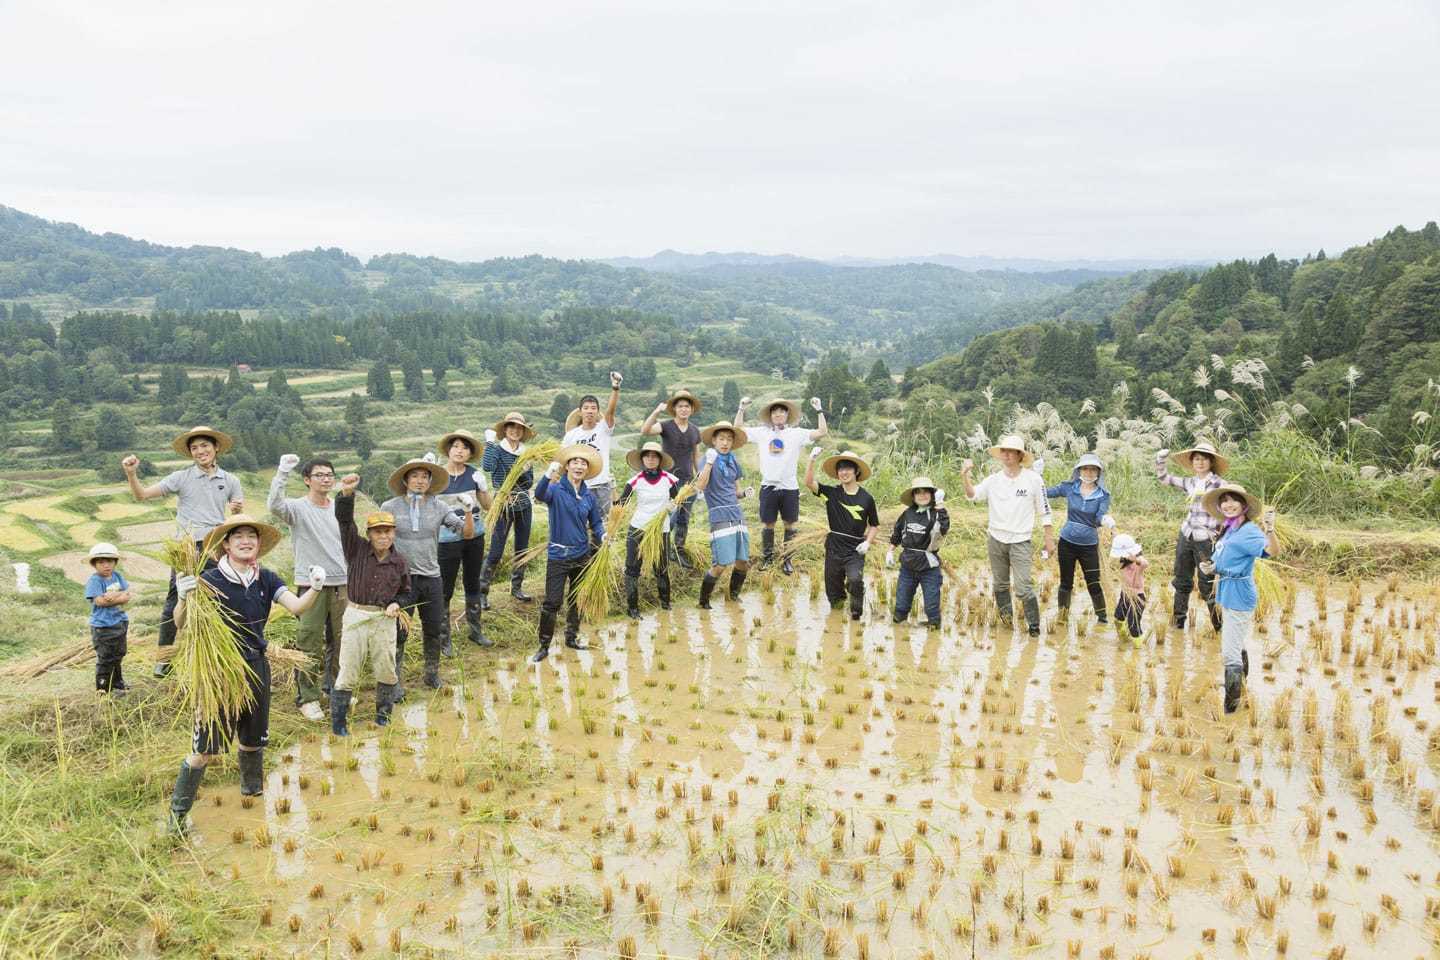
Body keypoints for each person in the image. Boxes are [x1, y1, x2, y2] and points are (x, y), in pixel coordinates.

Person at [165, 515, 322, 835]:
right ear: (226, 544)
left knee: (253, 741)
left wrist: (316, 587)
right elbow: (180, 623)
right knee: (203, 750)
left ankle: (252, 793)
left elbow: (298, 607)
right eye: (239, 537)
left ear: (259, 544)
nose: (247, 541)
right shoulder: (209, 579)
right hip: (218, 671)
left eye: (252, 536)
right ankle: (177, 815)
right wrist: (182, 596)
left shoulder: (266, 578)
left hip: (255, 665)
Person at [121, 426, 244, 677]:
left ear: (216, 447)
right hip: (187, 548)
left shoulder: (231, 480)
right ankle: (164, 659)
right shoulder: (182, 477)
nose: (201, 451)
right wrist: (131, 473)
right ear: (190, 453)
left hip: (215, 547)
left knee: (222, 598)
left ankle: (219, 652)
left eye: (205, 446)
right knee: (176, 599)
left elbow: (238, 517)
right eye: (195, 448)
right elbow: (142, 495)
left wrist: (237, 511)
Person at [380, 456, 473, 690]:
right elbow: (379, 542)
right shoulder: (389, 507)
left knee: (434, 628)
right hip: (401, 581)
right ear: (405, 479)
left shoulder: (439, 506)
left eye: (424, 477)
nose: (420, 481)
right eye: (415, 476)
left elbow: (466, 533)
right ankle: (395, 681)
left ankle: (431, 674)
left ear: (430, 481)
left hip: (432, 577)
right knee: (399, 632)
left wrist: (468, 511)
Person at [330, 474, 412, 736]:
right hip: (355, 615)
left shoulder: (399, 562)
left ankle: (383, 716)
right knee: (349, 670)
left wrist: (397, 604)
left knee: (387, 669)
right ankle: (339, 723)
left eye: (387, 531)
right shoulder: (355, 549)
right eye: (378, 532)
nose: (383, 536)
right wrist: (346, 494)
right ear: (369, 534)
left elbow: (406, 592)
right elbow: (344, 521)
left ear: (393, 533)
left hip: (384, 619)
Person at [267, 455, 348, 721]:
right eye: (319, 475)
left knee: (341, 641)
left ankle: (335, 688)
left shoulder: (338, 508)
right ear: (307, 480)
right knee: (309, 641)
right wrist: (282, 472)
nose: (325, 479)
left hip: (342, 583)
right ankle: (308, 697)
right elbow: (274, 505)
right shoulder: (297, 508)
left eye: (329, 474)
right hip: (311, 585)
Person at [961, 435, 1054, 638]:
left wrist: (1049, 539)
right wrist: (965, 476)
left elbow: (1045, 510)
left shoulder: (1033, 480)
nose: (1007, 455)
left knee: (1023, 587)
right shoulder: (994, 480)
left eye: (1012, 451)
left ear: (1020, 455)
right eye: (1004, 451)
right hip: (996, 539)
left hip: (1020, 541)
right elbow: (972, 495)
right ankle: (1006, 621)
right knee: (1000, 585)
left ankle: (1034, 625)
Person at [1199, 485, 1278, 713]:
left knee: (1229, 653)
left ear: (1244, 505)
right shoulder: (1230, 528)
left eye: (1234, 500)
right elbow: (1224, 558)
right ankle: (1240, 689)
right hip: (1228, 590)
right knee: (1236, 642)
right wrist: (1211, 567)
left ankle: (1230, 710)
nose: (1228, 504)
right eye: (1224, 501)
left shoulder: (1249, 531)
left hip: (1240, 594)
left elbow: (1272, 552)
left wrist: (1270, 530)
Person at [531, 444, 606, 663]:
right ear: (566, 466)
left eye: (583, 463)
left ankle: (571, 637)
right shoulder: (555, 489)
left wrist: (602, 536)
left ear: (587, 469)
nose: (579, 466)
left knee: (577, 599)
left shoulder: (589, 496)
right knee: (552, 602)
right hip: (558, 556)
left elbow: (596, 523)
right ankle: (544, 645)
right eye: (575, 462)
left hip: (582, 555)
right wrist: (547, 474)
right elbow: (539, 494)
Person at [735, 396, 827, 575]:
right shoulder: (762, 433)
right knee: (768, 524)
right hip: (768, 486)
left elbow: (822, 431)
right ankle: (768, 559)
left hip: (790, 487)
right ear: (770, 415)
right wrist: (741, 408)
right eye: (774, 411)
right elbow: (738, 429)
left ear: (787, 414)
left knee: (789, 524)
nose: (778, 414)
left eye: (782, 411)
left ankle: (787, 560)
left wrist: (819, 409)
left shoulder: (797, 434)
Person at [1154, 441, 1227, 631]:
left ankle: (1219, 627)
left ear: (1211, 462)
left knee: (1207, 584)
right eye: (1196, 459)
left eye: (1204, 459)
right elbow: (1164, 478)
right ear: (1192, 462)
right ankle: (1178, 623)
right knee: (1182, 580)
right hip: (1186, 536)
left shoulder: (1220, 484)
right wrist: (1161, 459)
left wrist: (1221, 535)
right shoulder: (1191, 482)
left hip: (1206, 540)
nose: (1200, 462)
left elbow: (1230, 511)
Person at [804, 449, 880, 621]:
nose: (843, 472)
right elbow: (808, 482)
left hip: (855, 549)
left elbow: (875, 525)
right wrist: (811, 459)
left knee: (855, 580)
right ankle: (836, 621)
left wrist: (868, 542)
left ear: (856, 471)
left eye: (847, 468)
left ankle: (856, 614)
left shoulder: (866, 498)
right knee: (834, 595)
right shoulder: (832, 494)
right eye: (840, 469)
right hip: (834, 547)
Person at [435, 430, 494, 650]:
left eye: (465, 448)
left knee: (472, 582)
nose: (460, 451)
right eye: (456, 446)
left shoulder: (474, 475)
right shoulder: (437, 476)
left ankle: (475, 631)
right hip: (446, 540)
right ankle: (444, 637)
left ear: (470, 453)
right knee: (445, 587)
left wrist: (483, 487)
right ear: (449, 450)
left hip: (474, 537)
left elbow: (488, 506)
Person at [1044, 453, 1116, 624]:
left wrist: (1106, 521)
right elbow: (1046, 493)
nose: (1089, 472)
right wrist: (1037, 476)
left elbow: (1099, 518)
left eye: (1093, 469)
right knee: (1066, 582)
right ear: (1079, 470)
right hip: (1066, 543)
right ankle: (1062, 617)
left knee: (1093, 582)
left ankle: (1102, 617)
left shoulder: (1103, 495)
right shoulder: (1070, 487)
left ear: (1098, 472)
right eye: (1085, 468)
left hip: (1089, 546)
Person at [479, 412, 538, 610]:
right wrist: (488, 443)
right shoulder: (496, 449)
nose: (515, 430)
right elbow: (487, 467)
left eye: (519, 428)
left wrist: (524, 470)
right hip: (503, 504)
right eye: (511, 426)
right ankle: (482, 592)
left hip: (523, 504)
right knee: (496, 550)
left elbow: (529, 482)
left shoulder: (526, 453)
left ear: (523, 432)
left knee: (522, 549)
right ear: (505, 429)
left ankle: (517, 588)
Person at [693, 420, 755, 609]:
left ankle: (733, 597)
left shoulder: (733, 460)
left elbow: (736, 491)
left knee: (743, 562)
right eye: (721, 438)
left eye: (729, 439)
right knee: (720, 564)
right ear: (714, 440)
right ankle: (703, 602)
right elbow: (700, 486)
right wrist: (710, 463)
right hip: (719, 516)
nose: (725, 443)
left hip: (736, 514)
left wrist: (744, 493)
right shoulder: (708, 458)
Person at [639, 388, 703, 569]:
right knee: (668, 516)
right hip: (668, 480)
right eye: (680, 406)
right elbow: (645, 430)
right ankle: (661, 547)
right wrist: (656, 412)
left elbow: (696, 456)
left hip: (688, 481)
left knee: (684, 517)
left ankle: (679, 550)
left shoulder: (694, 430)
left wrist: (700, 479)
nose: (683, 409)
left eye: (687, 406)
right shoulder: (666, 426)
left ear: (691, 409)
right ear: (674, 409)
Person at [618, 440, 680, 618]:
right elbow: (622, 503)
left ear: (660, 459)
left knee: (661, 567)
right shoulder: (634, 481)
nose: (651, 459)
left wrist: (672, 507)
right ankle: (633, 609)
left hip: (661, 529)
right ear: (642, 459)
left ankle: (665, 604)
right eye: (647, 456)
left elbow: (678, 501)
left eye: (655, 456)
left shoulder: (670, 480)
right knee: (632, 568)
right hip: (638, 528)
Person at [886, 478, 949, 629]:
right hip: (908, 565)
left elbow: (944, 528)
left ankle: (934, 629)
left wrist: (940, 506)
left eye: (926, 492)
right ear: (913, 496)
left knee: (932, 604)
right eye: (918, 492)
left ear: (932, 495)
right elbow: (897, 533)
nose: (922, 495)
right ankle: (899, 628)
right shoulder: (907, 514)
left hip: (929, 566)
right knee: (901, 602)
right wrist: (890, 551)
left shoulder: (936, 513)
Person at [563, 371, 623, 514]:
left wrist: (615, 388)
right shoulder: (571, 436)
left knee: (603, 525)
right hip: (579, 485)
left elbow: (611, 412)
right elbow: (563, 461)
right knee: (580, 524)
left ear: (597, 412)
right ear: (580, 412)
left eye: (593, 408)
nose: (590, 411)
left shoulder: (603, 429)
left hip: (602, 485)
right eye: (586, 408)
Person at [84, 542, 131, 694]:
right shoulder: (95, 581)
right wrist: (120, 597)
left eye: (109, 561)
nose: (106, 565)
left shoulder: (117, 576)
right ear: (94, 564)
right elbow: (99, 601)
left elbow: (127, 594)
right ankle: (103, 688)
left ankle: (117, 684)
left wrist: (113, 596)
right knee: (106, 658)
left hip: (120, 622)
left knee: (119, 654)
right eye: (101, 562)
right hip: (103, 627)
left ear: (115, 562)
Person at [1110, 533, 1148, 640]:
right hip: (1125, 594)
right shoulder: (1123, 563)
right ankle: (1124, 638)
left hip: (1138, 598)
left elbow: (1145, 564)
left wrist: (1135, 559)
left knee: (1133, 626)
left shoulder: (1139, 563)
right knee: (1118, 618)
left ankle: (1137, 649)